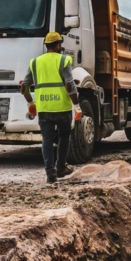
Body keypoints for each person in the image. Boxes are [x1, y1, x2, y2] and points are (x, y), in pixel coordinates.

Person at [22, 32, 83, 185]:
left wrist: (31, 103)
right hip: (62, 107)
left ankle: (50, 174)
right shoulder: (63, 60)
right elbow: (69, 84)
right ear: (58, 45)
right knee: (64, 136)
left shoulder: (35, 62)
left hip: (44, 108)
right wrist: (77, 106)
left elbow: (24, 87)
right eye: (60, 44)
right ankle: (61, 168)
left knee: (47, 140)